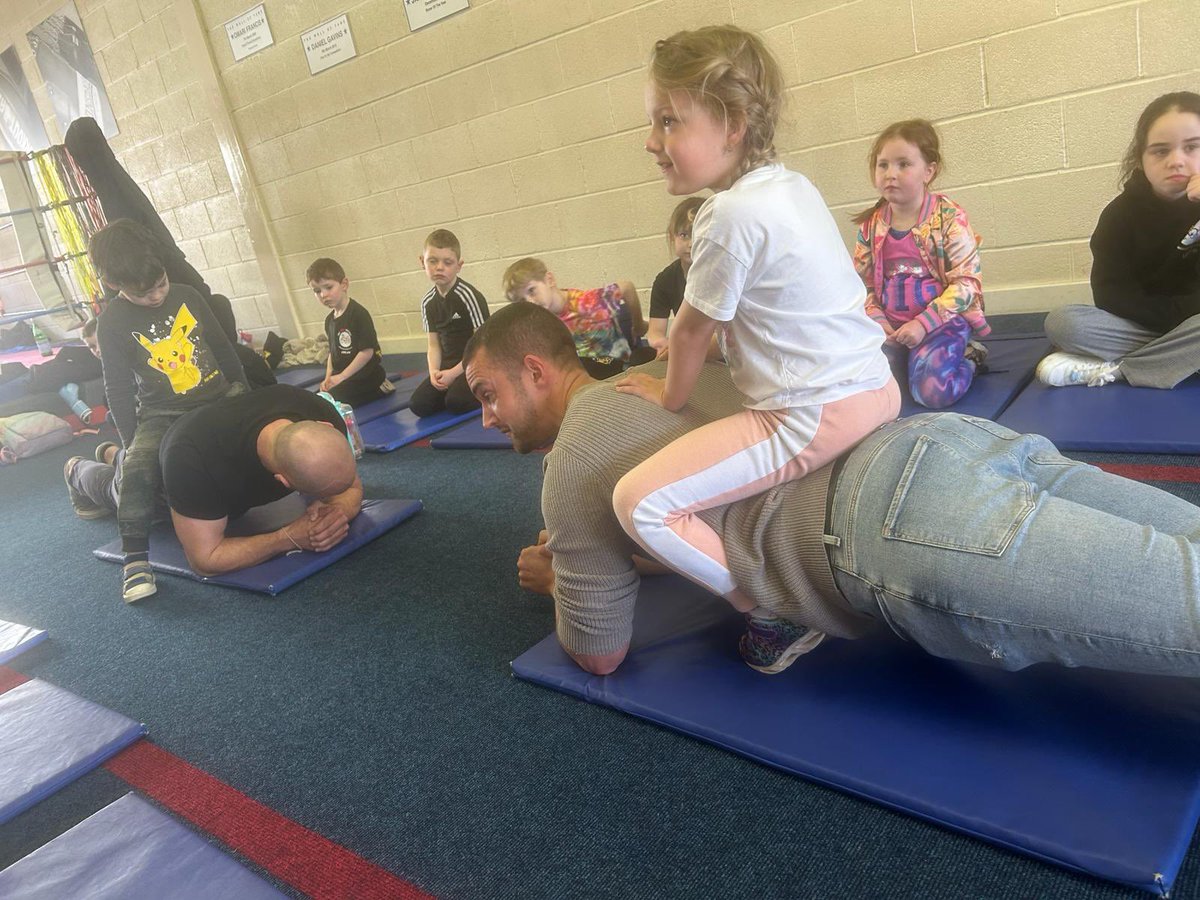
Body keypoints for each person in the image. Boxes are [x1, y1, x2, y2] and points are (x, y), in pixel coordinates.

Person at [466, 303, 1200, 681]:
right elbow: (734, 500)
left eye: (488, 393)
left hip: (894, 524)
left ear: (536, 369)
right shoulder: (666, 383)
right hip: (942, 440)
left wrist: (561, 580)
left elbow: (601, 655)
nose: (486, 417)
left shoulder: (570, 464)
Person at [610, 25, 898, 631]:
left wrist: (670, 395)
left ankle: (770, 610)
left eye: (668, 121)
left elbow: (690, 335)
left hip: (815, 411)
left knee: (640, 504)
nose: (650, 141)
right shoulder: (793, 186)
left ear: (733, 124)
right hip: (879, 386)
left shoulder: (727, 214)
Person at [91, 219, 248, 603]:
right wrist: (130, 444)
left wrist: (242, 391)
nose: (157, 295)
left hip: (216, 396)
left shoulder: (187, 295)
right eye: (144, 293)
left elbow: (224, 349)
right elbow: (118, 387)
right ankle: (135, 560)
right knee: (139, 470)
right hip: (161, 413)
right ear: (114, 285)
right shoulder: (111, 322)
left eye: (161, 282)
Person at [64, 383, 362, 578]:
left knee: (135, 463)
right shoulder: (192, 460)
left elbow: (349, 486)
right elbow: (206, 558)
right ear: (283, 482)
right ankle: (78, 471)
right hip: (169, 483)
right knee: (120, 490)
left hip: (193, 454)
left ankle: (118, 456)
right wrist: (289, 537)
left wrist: (336, 512)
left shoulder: (317, 412)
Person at [1039, 91, 1200, 389]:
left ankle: (1118, 369)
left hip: (1194, 322)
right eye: (1161, 151)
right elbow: (1111, 296)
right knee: (1062, 322)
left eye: (1192, 147)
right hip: (1140, 325)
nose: (1176, 161)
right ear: (1140, 158)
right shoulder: (1119, 215)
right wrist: (1172, 330)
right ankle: (1181, 360)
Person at [852, 119, 990, 409]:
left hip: (939, 324)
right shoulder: (871, 226)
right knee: (862, 391)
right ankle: (905, 361)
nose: (891, 174)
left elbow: (967, 285)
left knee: (930, 392)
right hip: (889, 327)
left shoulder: (949, 218)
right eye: (883, 165)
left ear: (929, 171)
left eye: (904, 164)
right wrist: (878, 321)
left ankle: (969, 357)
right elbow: (859, 286)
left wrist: (922, 324)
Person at [502, 256, 653, 379]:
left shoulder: (587, 303)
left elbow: (627, 287)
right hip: (583, 377)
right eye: (521, 300)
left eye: (532, 290)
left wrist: (638, 325)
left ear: (549, 280)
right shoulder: (537, 322)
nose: (530, 301)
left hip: (618, 371)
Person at [410, 229, 490, 418]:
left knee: (456, 403)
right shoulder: (427, 302)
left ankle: (484, 388)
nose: (439, 267)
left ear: (458, 266)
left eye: (447, 262)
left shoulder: (469, 296)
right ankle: (452, 388)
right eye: (433, 261)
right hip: (447, 364)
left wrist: (453, 374)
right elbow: (433, 344)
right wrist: (434, 372)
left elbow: (482, 346)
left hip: (474, 362)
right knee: (418, 405)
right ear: (422, 262)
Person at [309, 257, 393, 408]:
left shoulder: (358, 314)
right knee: (317, 399)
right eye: (317, 291)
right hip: (346, 377)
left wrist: (341, 377)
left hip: (366, 376)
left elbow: (366, 352)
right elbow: (332, 354)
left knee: (332, 402)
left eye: (328, 287)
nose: (323, 295)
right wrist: (328, 378)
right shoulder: (329, 320)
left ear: (344, 284)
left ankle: (382, 387)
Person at [646, 196, 706, 357]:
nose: (691, 244)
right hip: (688, 348)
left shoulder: (722, 274)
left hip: (720, 349)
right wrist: (662, 343)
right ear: (672, 237)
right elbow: (655, 332)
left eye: (698, 235)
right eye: (684, 235)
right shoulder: (665, 280)